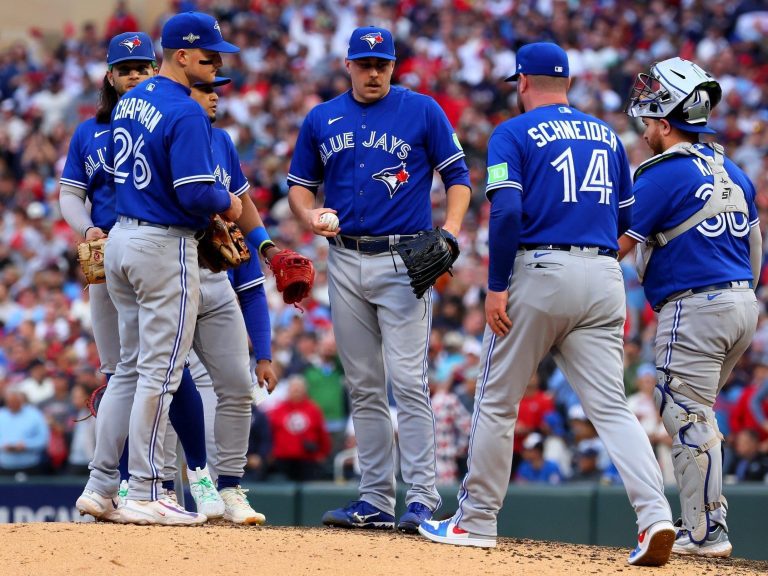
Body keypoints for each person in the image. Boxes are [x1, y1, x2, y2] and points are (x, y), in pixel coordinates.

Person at [418, 42, 675, 568]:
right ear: (568, 83)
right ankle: (655, 517)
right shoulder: (606, 135)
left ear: (523, 82)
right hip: (605, 275)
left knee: (496, 401)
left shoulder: (512, 132)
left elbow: (507, 210)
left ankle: (476, 520)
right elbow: (629, 217)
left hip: (538, 271)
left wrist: (495, 285)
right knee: (611, 406)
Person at [287, 25, 471, 533]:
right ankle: (373, 499)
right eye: (365, 64)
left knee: (408, 382)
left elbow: (459, 179)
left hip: (403, 258)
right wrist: (308, 216)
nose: (373, 72)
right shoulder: (322, 117)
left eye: (382, 65)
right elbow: (299, 188)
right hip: (344, 258)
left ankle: (422, 497)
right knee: (364, 385)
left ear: (393, 66)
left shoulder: (422, 110)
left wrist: (451, 232)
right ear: (348, 65)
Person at [78, 12, 242, 527]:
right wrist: (229, 205)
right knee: (161, 372)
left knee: (125, 370)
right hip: (161, 244)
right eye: (209, 56)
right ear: (181, 55)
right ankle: (147, 490)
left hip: (121, 239)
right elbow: (196, 193)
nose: (216, 65)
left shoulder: (132, 99)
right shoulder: (187, 111)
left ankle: (101, 485)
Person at [619, 57, 760, 558]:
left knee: (686, 413)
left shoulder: (660, 174)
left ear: (663, 121)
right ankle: (703, 521)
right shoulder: (734, 170)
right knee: (698, 413)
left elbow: (616, 243)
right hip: (743, 303)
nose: (644, 130)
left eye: (648, 121)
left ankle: (706, 532)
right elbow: (756, 249)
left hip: (695, 306)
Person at [160, 75, 280, 525]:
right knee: (163, 384)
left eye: (218, 88)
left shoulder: (224, 141)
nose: (214, 95)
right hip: (170, 266)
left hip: (213, 278)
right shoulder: (165, 131)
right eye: (205, 87)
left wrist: (264, 351)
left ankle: (229, 488)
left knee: (236, 384)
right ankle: (160, 489)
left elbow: (242, 217)